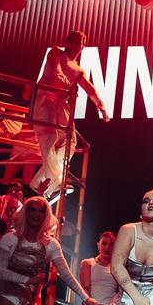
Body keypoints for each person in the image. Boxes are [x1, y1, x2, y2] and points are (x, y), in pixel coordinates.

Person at [29, 30, 111, 197]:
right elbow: (55, 68)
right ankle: (55, 180)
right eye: (71, 41)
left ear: (82, 46)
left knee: (70, 140)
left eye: (77, 43)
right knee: (50, 137)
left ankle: (42, 182)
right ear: (66, 41)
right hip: (45, 101)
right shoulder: (56, 52)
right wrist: (62, 79)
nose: (73, 45)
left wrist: (101, 106)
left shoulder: (78, 70)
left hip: (60, 105)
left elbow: (89, 88)